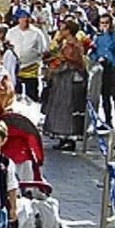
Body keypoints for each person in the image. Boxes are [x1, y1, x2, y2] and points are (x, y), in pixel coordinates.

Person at [43, 21, 88, 151]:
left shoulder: (72, 45)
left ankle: (69, 137)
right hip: (62, 80)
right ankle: (63, 138)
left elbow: (69, 62)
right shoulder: (65, 44)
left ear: (68, 31)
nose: (60, 32)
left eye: (63, 29)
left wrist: (53, 67)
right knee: (61, 107)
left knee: (67, 107)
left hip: (68, 79)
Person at [92, 12, 115, 127]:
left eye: (106, 23)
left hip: (114, 67)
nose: (104, 25)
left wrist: (107, 34)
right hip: (103, 68)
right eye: (102, 23)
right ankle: (107, 120)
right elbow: (93, 52)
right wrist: (96, 58)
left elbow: (113, 47)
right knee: (105, 96)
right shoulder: (97, 38)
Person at [6, 9, 46, 100]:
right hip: (15, 67)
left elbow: (42, 49)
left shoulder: (37, 33)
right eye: (23, 17)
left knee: (31, 93)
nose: (25, 20)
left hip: (31, 67)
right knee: (16, 93)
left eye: (27, 17)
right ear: (18, 19)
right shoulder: (11, 32)